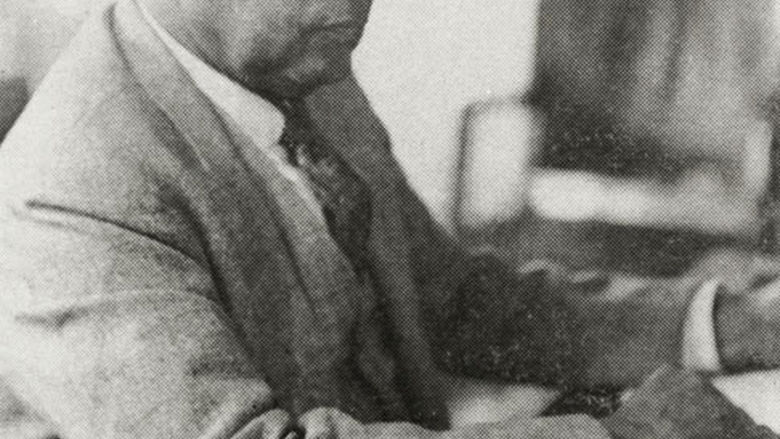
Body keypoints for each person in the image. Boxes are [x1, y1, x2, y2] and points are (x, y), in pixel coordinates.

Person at [0, 0, 778, 437]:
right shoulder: (68, 183)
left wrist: (732, 322)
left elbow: (450, 300)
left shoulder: (306, 66)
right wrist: (620, 437)